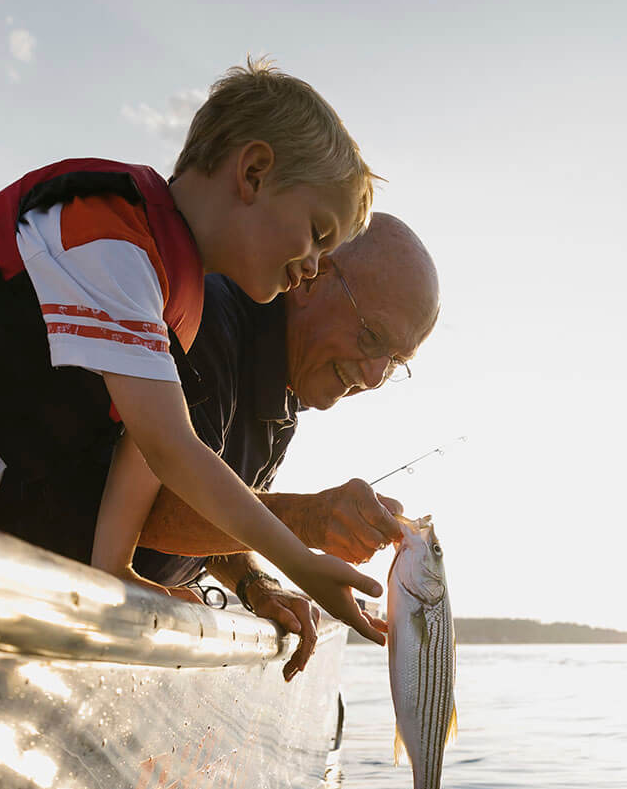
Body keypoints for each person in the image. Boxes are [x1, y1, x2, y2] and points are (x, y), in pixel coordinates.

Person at [0, 58, 387, 645]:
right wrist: (302, 562)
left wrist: (116, 571)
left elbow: (139, 453)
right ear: (255, 172)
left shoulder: (172, 302)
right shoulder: (108, 238)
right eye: (318, 232)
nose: (315, 265)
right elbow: (171, 448)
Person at [130, 212, 440, 677]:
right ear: (313, 279)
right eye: (372, 337)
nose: (375, 376)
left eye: (394, 361)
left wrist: (256, 583)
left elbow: (220, 522)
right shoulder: (208, 318)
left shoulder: (285, 391)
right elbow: (143, 512)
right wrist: (306, 521)